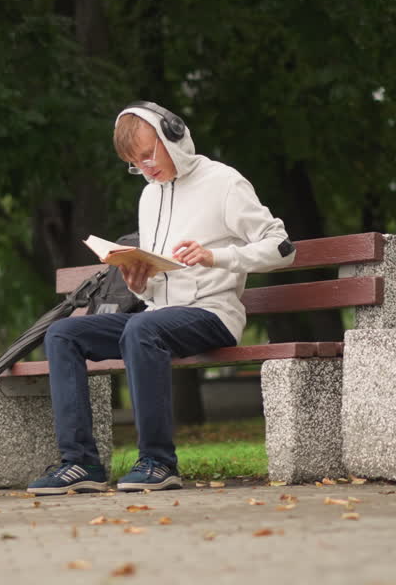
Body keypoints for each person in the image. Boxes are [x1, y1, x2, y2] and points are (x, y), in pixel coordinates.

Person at [27, 101, 296, 495]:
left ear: (174, 134)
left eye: (149, 153)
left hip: (212, 314)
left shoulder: (224, 182)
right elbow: (158, 283)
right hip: (156, 317)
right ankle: (80, 462)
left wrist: (215, 255)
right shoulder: (149, 197)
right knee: (63, 334)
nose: (146, 168)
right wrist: (139, 282)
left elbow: (283, 248)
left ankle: (157, 461)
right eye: (136, 163)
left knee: (141, 328)